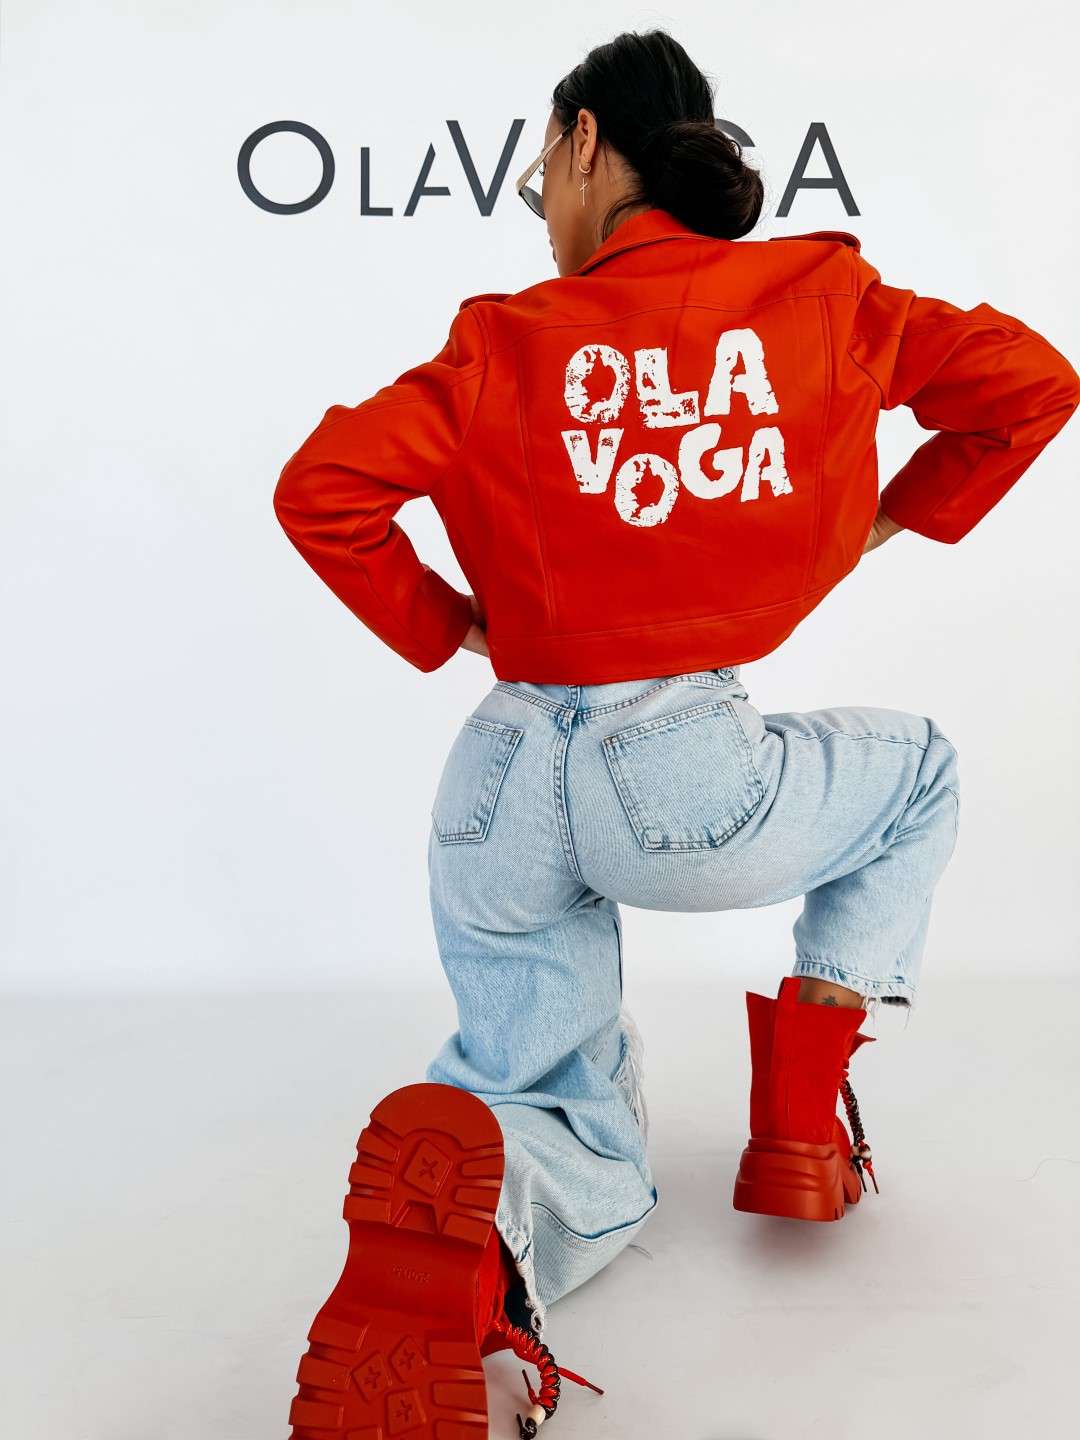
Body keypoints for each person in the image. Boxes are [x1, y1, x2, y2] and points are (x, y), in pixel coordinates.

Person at [272, 28, 1080, 1439]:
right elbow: (1033, 384)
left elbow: (321, 490)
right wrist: (878, 525)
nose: (540, 195)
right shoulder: (823, 299)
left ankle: (486, 1240)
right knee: (918, 772)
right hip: (683, 767)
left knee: (538, 1087)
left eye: (542, 163)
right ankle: (799, 1129)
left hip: (501, 773)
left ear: (586, 139)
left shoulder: (502, 339)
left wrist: (457, 627)